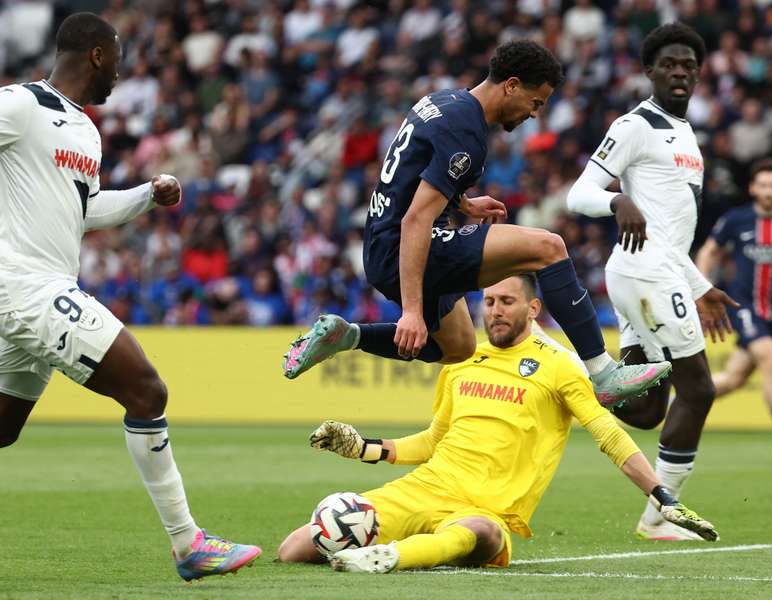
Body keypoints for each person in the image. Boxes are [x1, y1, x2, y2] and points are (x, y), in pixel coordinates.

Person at [0, 13, 260, 580]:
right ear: (96, 55)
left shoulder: (85, 131)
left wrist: (147, 195)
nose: (121, 72)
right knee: (146, 388)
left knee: (2, 428)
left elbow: (83, 211)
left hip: (40, 287)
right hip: (23, 285)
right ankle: (189, 544)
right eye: (117, 58)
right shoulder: (20, 105)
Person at [282, 40, 671, 408]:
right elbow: (417, 217)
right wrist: (412, 312)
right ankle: (604, 374)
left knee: (458, 347)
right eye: (535, 102)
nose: (534, 113)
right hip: (408, 244)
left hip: (382, 242)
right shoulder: (466, 133)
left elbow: (413, 174)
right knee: (548, 247)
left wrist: (462, 202)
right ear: (512, 85)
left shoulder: (443, 100)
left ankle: (345, 335)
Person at [277, 275, 718, 573]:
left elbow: (608, 434)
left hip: (484, 510)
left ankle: (390, 557)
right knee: (293, 549)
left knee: (481, 535)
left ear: (533, 308)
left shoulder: (561, 366)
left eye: (506, 302)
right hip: (424, 489)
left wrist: (661, 495)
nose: (495, 311)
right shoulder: (461, 361)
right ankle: (381, 552)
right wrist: (363, 448)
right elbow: (433, 441)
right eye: (488, 302)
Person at [566, 23, 738, 541]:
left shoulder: (686, 134)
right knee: (700, 389)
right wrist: (617, 200)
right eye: (669, 64)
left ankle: (572, 371)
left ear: (699, 72)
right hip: (645, 273)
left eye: (689, 64)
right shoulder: (635, 124)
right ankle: (660, 516)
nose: (680, 71)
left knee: (644, 408)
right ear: (650, 71)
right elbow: (579, 194)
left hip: (654, 270)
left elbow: (670, 236)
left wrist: (702, 287)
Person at [695, 158, 772, 458]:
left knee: (734, 379)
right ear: (753, 188)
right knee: (771, 359)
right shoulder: (736, 219)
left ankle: (680, 399)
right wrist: (703, 288)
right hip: (743, 306)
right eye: (763, 185)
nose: (769, 191)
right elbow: (709, 251)